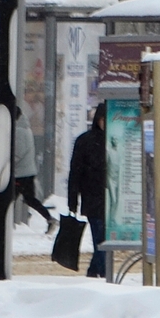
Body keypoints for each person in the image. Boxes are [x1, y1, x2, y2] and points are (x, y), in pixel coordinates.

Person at [67, 103, 111, 278]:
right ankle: (100, 272)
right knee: (100, 239)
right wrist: (72, 200)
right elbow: (75, 172)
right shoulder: (85, 141)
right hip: (93, 199)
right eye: (103, 119)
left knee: (104, 240)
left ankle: (95, 272)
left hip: (112, 200)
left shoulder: (115, 140)